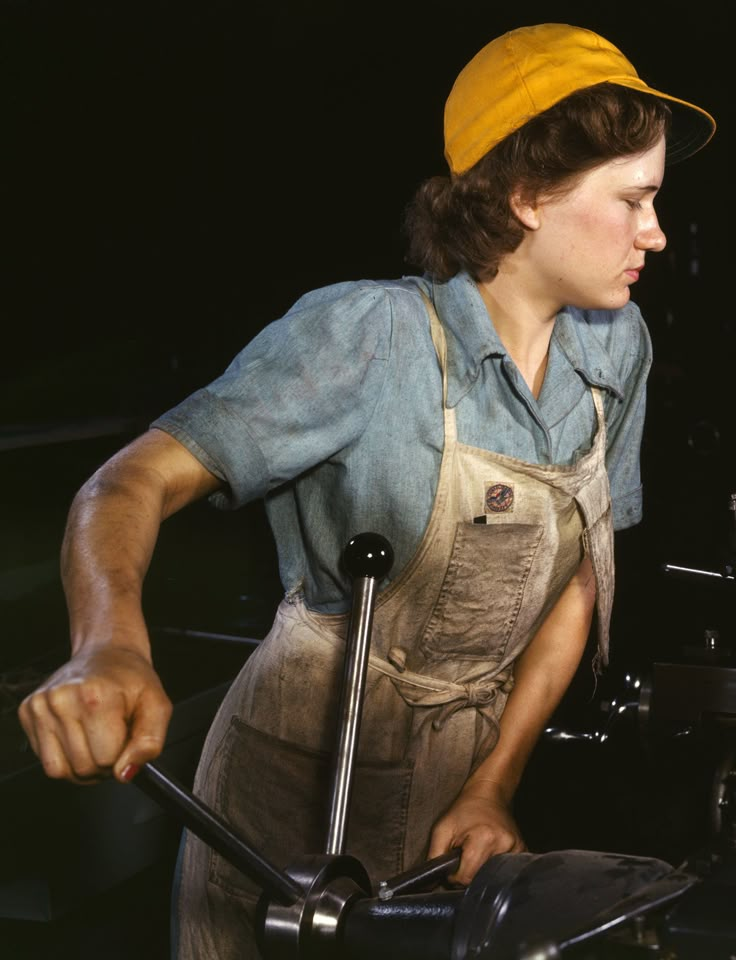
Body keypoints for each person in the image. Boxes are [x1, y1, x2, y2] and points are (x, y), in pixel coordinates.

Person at [18, 21, 715, 960]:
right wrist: (106, 647)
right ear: (526, 196)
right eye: (634, 200)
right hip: (292, 789)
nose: (656, 233)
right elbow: (127, 482)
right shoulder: (370, 337)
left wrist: (494, 784)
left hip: (458, 785)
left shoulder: (612, 345)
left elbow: (583, 576)